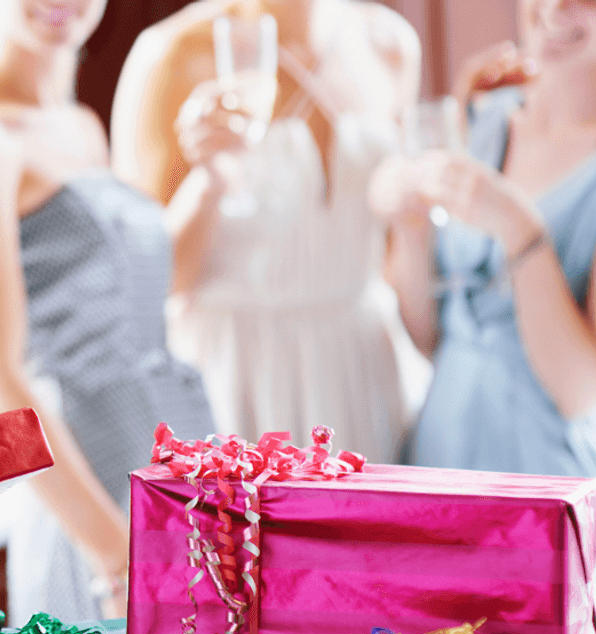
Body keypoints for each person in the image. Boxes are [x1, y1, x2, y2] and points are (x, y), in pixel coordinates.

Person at [0, 0, 216, 623]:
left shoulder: (78, 123)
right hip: (94, 483)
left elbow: (148, 288)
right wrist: (115, 553)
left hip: (177, 458)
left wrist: (215, 174)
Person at [109, 0, 421, 463]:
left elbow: (396, 250)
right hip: (239, 376)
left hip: (363, 367)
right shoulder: (172, 55)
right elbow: (147, 287)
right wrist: (211, 177)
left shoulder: (389, 43)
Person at [370, 0, 596, 477]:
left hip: (542, 475)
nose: (557, 8)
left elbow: (584, 394)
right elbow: (428, 336)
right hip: (438, 454)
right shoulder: (481, 118)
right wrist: (410, 228)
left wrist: (521, 231)